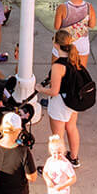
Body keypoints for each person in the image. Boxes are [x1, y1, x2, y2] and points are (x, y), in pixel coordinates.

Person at [37, 29, 83, 168]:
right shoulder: (74, 58)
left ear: (56, 44)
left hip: (60, 104)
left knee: (57, 136)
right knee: (71, 127)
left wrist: (39, 89)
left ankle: (58, 167)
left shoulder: (58, 66)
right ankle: (73, 158)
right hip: (73, 102)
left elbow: (54, 91)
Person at [53, 0, 96, 69]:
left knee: (57, 72)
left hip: (64, 43)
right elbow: (92, 25)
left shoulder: (62, 7)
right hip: (82, 44)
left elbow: (56, 27)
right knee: (80, 73)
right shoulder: (89, 7)